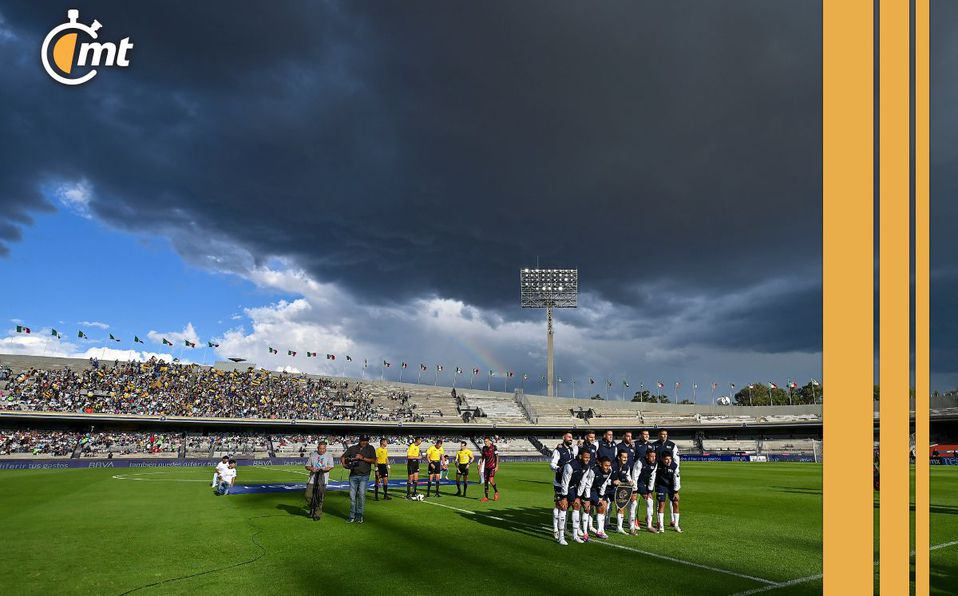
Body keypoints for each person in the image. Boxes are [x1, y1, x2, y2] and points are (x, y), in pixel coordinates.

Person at [559, 449, 594, 544]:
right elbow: (564, 482)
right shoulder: (569, 466)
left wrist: (578, 497)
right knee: (563, 507)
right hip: (560, 485)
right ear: (580, 456)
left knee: (577, 506)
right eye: (586, 457)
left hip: (572, 486)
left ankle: (575, 535)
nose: (588, 459)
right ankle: (561, 537)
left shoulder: (587, 467)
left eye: (589, 457)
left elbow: (583, 483)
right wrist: (564, 497)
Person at [341, 435, 377, 523]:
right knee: (352, 497)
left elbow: (374, 460)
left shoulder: (370, 448)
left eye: (366, 440)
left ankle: (359, 516)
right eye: (363, 440)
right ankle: (352, 516)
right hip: (353, 475)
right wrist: (345, 465)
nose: (364, 442)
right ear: (359, 440)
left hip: (364, 475)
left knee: (361, 495)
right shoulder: (353, 448)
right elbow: (343, 457)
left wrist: (362, 458)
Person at [550, 432, 577, 540]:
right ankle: (556, 529)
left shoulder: (571, 450)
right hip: (559, 483)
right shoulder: (558, 450)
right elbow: (552, 464)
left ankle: (564, 528)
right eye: (569, 437)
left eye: (572, 437)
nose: (571, 438)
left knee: (567, 506)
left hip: (570, 483)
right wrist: (558, 468)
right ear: (564, 438)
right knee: (559, 505)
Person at [651, 429, 680, 526]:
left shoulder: (672, 445)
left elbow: (676, 459)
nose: (663, 436)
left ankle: (672, 520)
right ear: (659, 435)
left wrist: (675, 470)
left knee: (673, 499)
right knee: (660, 499)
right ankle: (659, 521)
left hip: (670, 474)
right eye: (662, 434)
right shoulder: (654, 445)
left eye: (665, 434)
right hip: (658, 472)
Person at [653, 451, 682, 533]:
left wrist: (676, 491)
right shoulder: (657, 464)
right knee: (661, 504)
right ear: (662, 459)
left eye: (670, 459)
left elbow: (677, 479)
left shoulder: (674, 466)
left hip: (671, 487)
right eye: (666, 459)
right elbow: (653, 475)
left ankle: (676, 525)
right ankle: (661, 526)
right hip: (661, 486)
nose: (669, 461)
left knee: (676, 503)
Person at [306, 441, 335, 519]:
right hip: (312, 479)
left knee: (320, 497)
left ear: (325, 448)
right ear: (317, 448)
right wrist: (312, 468)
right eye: (320, 448)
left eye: (323, 448)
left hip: (323, 480)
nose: (322, 450)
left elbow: (331, 466)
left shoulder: (329, 455)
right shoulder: (313, 455)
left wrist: (324, 469)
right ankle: (313, 508)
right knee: (308, 496)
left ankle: (317, 514)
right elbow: (307, 466)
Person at [587, 456, 614, 539]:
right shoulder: (593, 471)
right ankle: (590, 528)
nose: (607, 467)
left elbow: (604, 483)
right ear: (600, 464)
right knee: (588, 508)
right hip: (588, 489)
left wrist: (601, 497)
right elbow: (588, 485)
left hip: (597, 490)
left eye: (609, 465)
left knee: (602, 506)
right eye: (605, 465)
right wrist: (587, 498)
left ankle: (600, 530)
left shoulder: (609, 471)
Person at [611, 450, 635, 534]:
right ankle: (605, 524)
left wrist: (630, 481)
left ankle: (619, 527)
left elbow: (628, 476)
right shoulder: (612, 466)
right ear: (618, 457)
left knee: (621, 506)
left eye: (626, 457)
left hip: (619, 489)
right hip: (608, 488)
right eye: (624, 457)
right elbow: (606, 477)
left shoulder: (626, 467)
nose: (626, 459)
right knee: (607, 508)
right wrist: (612, 482)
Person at [479, 437, 499, 502]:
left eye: (487, 441)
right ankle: (486, 497)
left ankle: (496, 492)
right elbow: (482, 457)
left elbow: (497, 457)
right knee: (486, 482)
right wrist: (481, 465)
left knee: (491, 480)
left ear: (490, 441)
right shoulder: (484, 448)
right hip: (486, 467)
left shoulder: (494, 447)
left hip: (492, 466)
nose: (485, 442)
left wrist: (497, 466)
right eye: (485, 441)